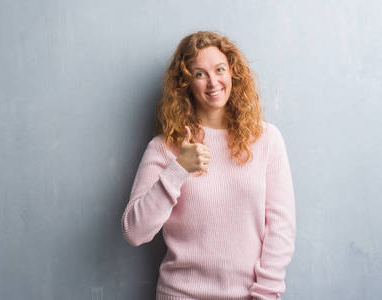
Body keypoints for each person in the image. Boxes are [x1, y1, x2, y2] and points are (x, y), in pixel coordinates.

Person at [120, 31, 296, 300]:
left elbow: (281, 229)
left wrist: (265, 294)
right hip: (180, 294)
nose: (213, 82)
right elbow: (134, 231)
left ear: (233, 73)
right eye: (199, 74)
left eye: (220, 70)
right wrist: (179, 169)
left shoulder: (267, 140)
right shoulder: (165, 147)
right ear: (185, 84)